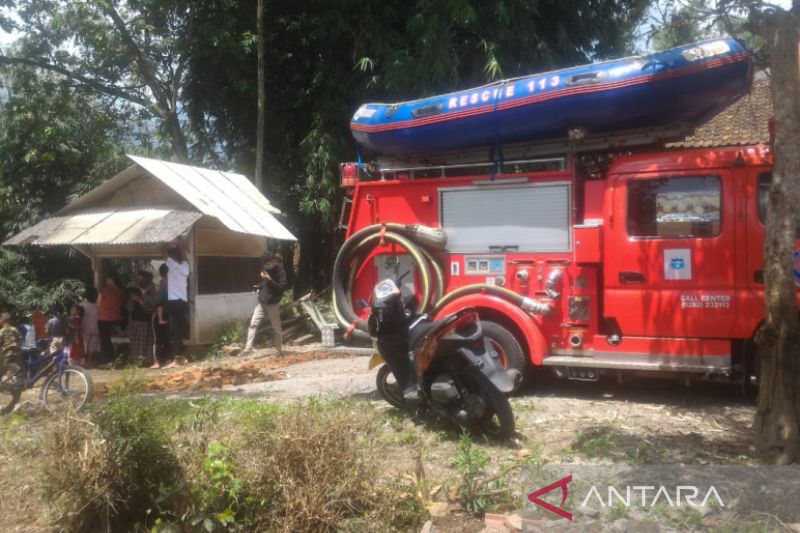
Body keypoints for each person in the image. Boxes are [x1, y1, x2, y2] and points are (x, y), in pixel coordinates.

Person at [243, 252, 287, 355]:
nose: (266, 265)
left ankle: (279, 350)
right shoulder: (266, 270)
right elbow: (265, 283)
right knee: (253, 323)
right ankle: (248, 348)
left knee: (276, 327)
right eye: (265, 263)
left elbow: (282, 288)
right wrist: (259, 286)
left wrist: (270, 280)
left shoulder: (280, 272)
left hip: (272, 303)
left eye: (267, 262)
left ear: (273, 261)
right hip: (262, 302)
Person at [164, 245, 190, 368]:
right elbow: (184, 257)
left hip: (174, 302)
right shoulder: (185, 267)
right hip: (183, 302)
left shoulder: (172, 265)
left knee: (174, 331)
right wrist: (182, 247)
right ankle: (181, 356)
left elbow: (163, 253)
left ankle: (177, 358)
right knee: (179, 329)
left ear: (171, 257)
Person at [143, 263, 170, 369]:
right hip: (168, 314)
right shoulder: (173, 284)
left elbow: (155, 302)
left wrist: (144, 294)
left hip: (161, 314)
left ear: (162, 274)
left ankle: (158, 361)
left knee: (157, 339)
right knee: (166, 338)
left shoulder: (165, 285)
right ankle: (168, 359)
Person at [97, 275, 124, 363]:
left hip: (104, 318)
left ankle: (106, 359)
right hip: (116, 318)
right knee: (110, 338)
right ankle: (113, 356)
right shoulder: (120, 291)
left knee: (104, 340)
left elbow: (98, 304)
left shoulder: (103, 290)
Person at [0, 312, 22, 414]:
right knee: (16, 371)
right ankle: (16, 391)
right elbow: (20, 339)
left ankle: (11, 385)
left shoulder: (1, 331)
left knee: (8, 371)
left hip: (6, 354)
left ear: (3, 320)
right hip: (16, 353)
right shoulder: (14, 329)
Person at [126, 286, 153, 366]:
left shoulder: (144, 301)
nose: (131, 297)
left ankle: (144, 361)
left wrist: (141, 301)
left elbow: (148, 311)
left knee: (143, 343)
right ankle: (135, 360)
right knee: (135, 343)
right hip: (135, 324)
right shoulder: (132, 303)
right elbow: (129, 311)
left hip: (144, 323)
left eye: (132, 295)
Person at [80, 288, 100, 366]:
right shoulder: (98, 305)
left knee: (85, 346)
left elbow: (81, 317)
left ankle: (84, 361)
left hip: (85, 328)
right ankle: (89, 361)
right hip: (95, 328)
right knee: (92, 346)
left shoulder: (83, 304)